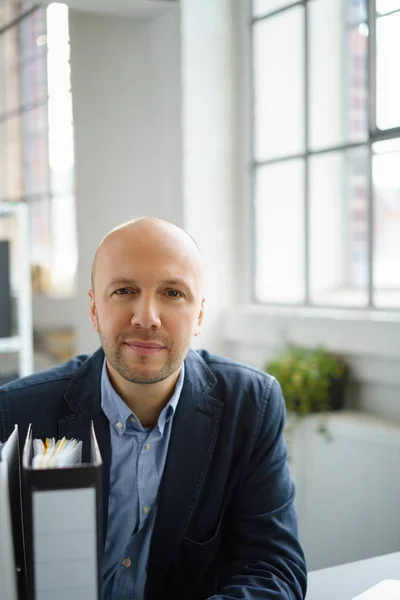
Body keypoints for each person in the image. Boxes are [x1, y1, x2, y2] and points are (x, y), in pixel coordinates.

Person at [0, 217, 307, 600]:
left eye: (173, 293)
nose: (146, 317)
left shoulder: (251, 406)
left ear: (199, 315)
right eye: (125, 290)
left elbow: (272, 568)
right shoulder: (15, 412)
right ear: (94, 310)